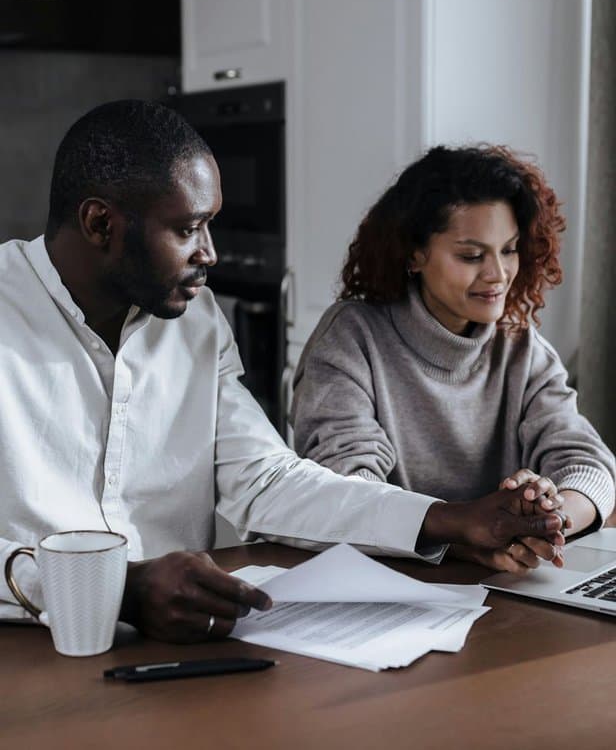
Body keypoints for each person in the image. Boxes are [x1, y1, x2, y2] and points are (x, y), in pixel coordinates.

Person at [0, 109, 567, 644]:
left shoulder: (197, 321)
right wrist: (117, 591)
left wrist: (448, 521)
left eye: (211, 225)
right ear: (100, 222)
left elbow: (268, 481)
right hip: (28, 655)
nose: (210, 253)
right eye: (188, 228)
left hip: (184, 650)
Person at [292, 144, 615, 575]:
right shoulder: (351, 338)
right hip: (386, 586)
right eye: (471, 255)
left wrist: (547, 519)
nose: (498, 274)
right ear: (413, 254)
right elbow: (347, 491)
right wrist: (465, 538)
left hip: (500, 586)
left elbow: (588, 466)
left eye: (510, 249)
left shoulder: (520, 346)